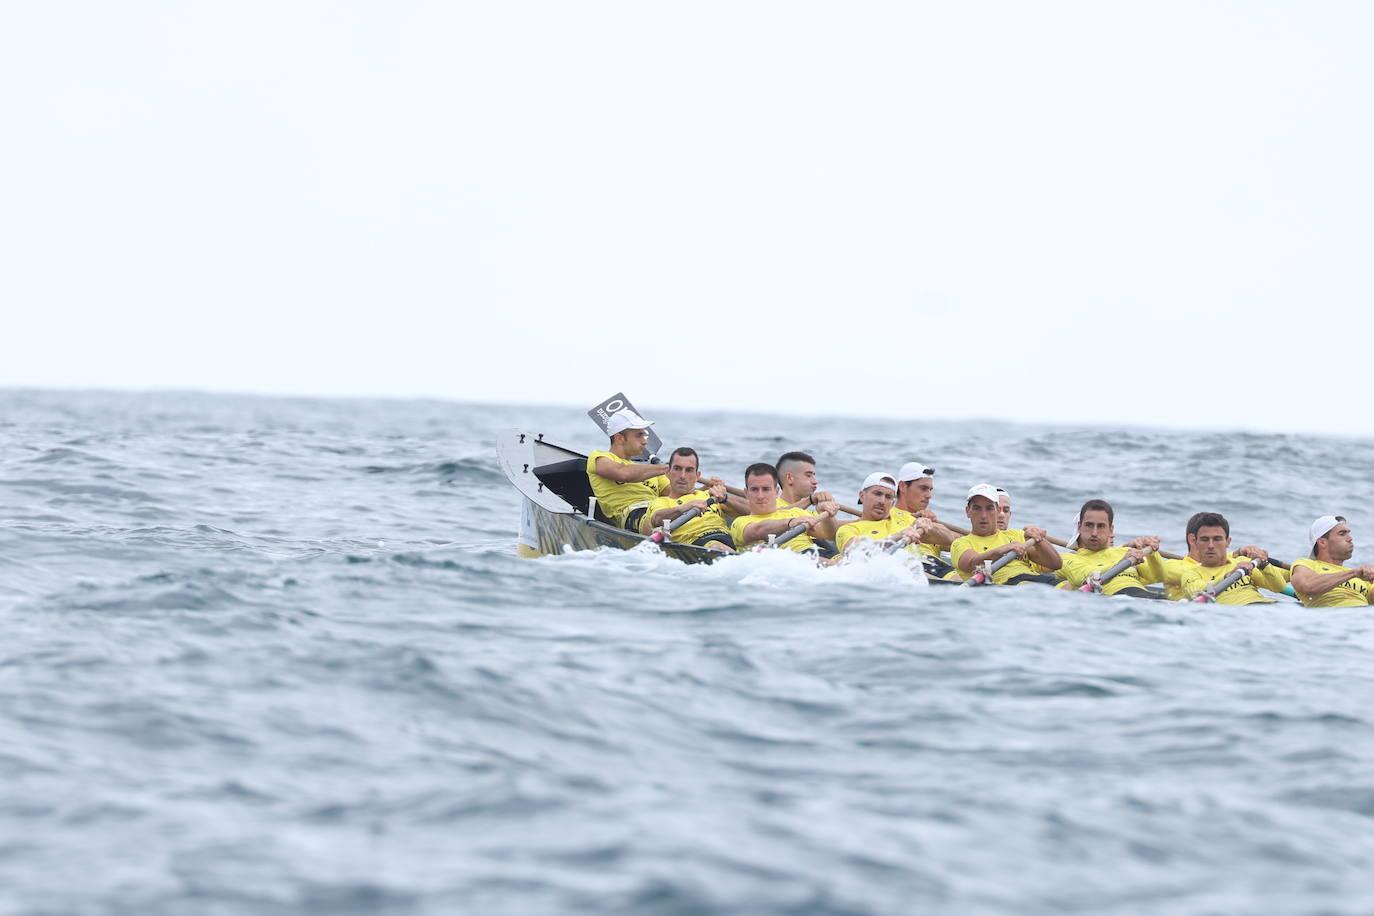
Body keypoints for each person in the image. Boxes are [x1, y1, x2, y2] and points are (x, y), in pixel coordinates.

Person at [640, 447, 748, 552]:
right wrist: (685, 507)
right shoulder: (661, 502)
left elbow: (752, 510)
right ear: (668, 473)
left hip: (727, 538)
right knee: (715, 546)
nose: (682, 476)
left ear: (697, 476)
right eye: (677, 469)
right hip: (698, 544)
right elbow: (657, 519)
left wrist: (725, 498)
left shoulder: (710, 496)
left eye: (689, 470)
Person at [951, 484, 1062, 584]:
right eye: (977, 508)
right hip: (1008, 586)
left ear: (997, 511)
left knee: (1064, 586)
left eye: (989, 508)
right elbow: (971, 564)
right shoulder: (961, 543)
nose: (983, 515)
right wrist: (1002, 550)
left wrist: (1039, 540)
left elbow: (1055, 564)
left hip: (1035, 580)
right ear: (967, 511)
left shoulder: (1016, 535)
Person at [1055, 499, 1167, 598]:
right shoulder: (1066, 559)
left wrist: (1152, 553)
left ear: (1111, 529)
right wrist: (1122, 562)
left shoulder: (1124, 551)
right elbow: (1086, 576)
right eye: (1089, 525)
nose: (1094, 533)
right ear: (1079, 527)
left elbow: (1158, 576)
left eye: (1101, 526)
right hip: (1114, 599)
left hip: (1144, 597)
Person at [1176, 511, 1287, 604]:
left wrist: (1264, 565)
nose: (1210, 546)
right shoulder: (1190, 574)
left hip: (1268, 607)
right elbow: (1198, 592)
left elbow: (1279, 587)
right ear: (1195, 543)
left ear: (1228, 542)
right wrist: (1229, 576)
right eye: (1205, 539)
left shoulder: (1242, 562)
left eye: (1217, 539)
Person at [586, 410, 670, 531]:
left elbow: (678, 494)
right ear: (619, 438)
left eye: (644, 435)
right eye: (639, 435)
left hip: (662, 508)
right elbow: (623, 473)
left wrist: (704, 491)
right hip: (632, 514)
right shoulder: (599, 458)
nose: (645, 441)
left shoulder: (654, 471)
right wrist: (665, 468)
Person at [730, 463, 837, 553]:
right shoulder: (740, 523)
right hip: (789, 563)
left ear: (776, 492)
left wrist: (828, 516)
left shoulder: (797, 513)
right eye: (754, 490)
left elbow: (828, 535)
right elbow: (758, 530)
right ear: (746, 493)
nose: (760, 496)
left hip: (816, 556)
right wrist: (790, 523)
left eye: (766, 489)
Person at [887, 461, 958, 575]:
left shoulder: (932, 522)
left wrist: (933, 524)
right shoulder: (886, 515)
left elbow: (958, 542)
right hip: (907, 563)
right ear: (903, 486)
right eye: (923, 488)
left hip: (932, 564)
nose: (929, 495)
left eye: (930, 490)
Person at [835, 472, 931, 555]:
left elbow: (946, 539)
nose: (882, 501)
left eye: (888, 497)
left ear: (893, 503)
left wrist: (930, 526)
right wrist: (898, 536)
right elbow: (857, 553)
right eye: (877, 494)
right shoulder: (848, 529)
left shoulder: (907, 520)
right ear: (862, 496)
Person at [1288, 516, 1374, 608]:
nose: (1350, 538)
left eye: (1349, 533)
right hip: (1332, 618)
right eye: (1342, 534)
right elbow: (1308, 586)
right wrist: (1353, 573)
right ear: (1322, 542)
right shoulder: (1305, 564)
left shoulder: (1362, 577)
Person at [775, 451, 842, 540]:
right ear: (790, 478)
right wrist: (810, 500)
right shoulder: (771, 507)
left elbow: (838, 528)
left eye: (814, 475)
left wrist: (862, 520)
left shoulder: (811, 513)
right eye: (808, 475)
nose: (815, 481)